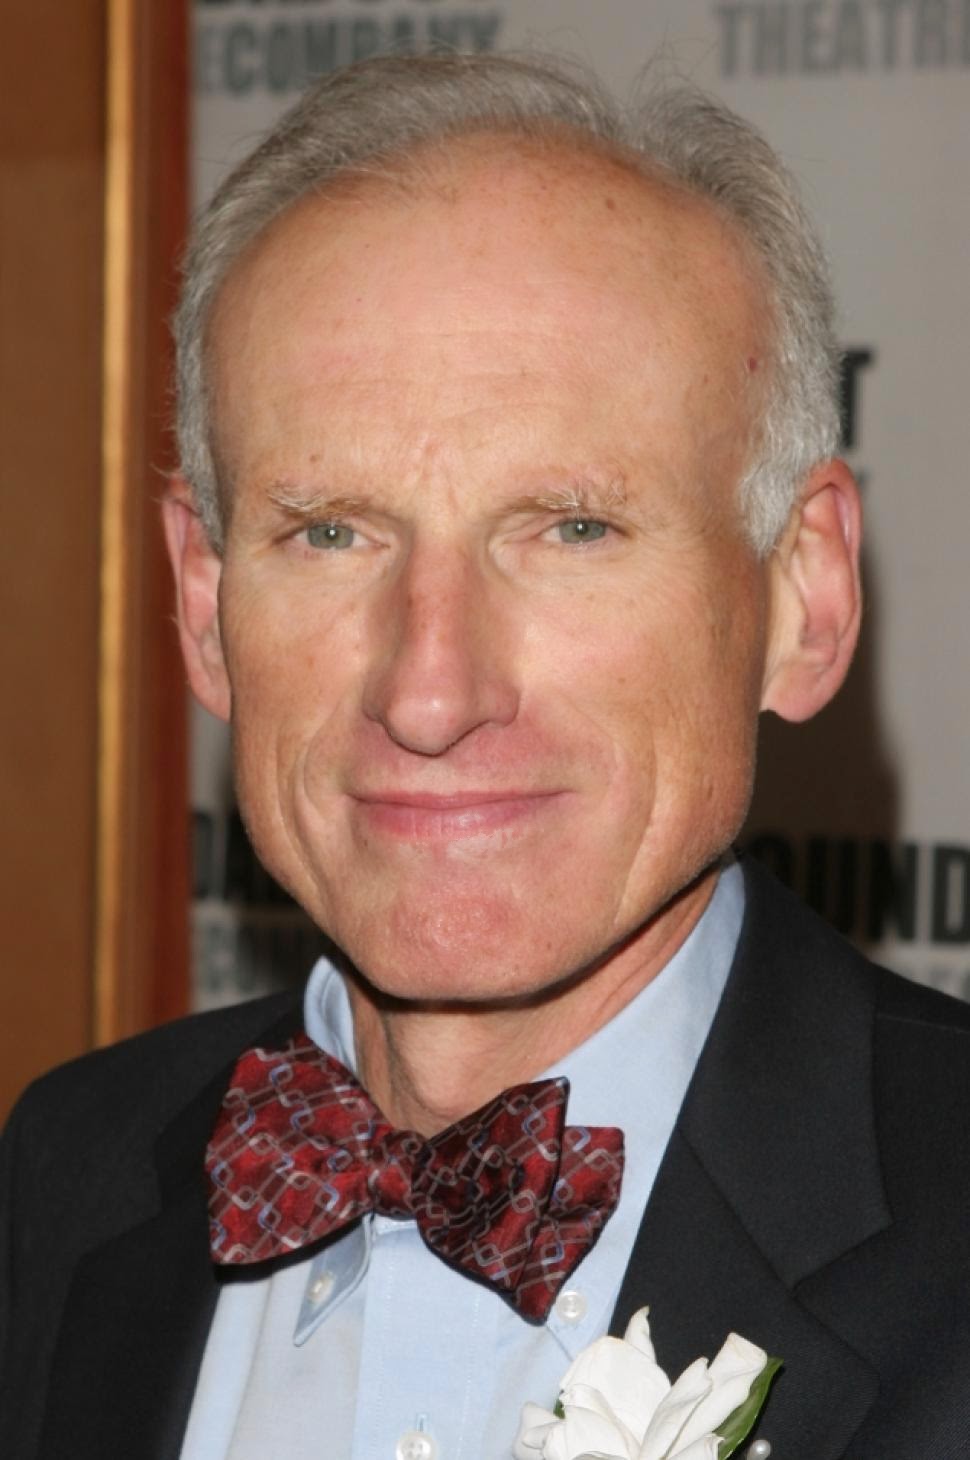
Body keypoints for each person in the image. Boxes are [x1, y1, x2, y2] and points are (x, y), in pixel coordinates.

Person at [2, 50, 968, 1460]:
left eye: (570, 528)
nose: (430, 691)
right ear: (204, 608)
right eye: (329, 531)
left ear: (800, 598)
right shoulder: (68, 1171)